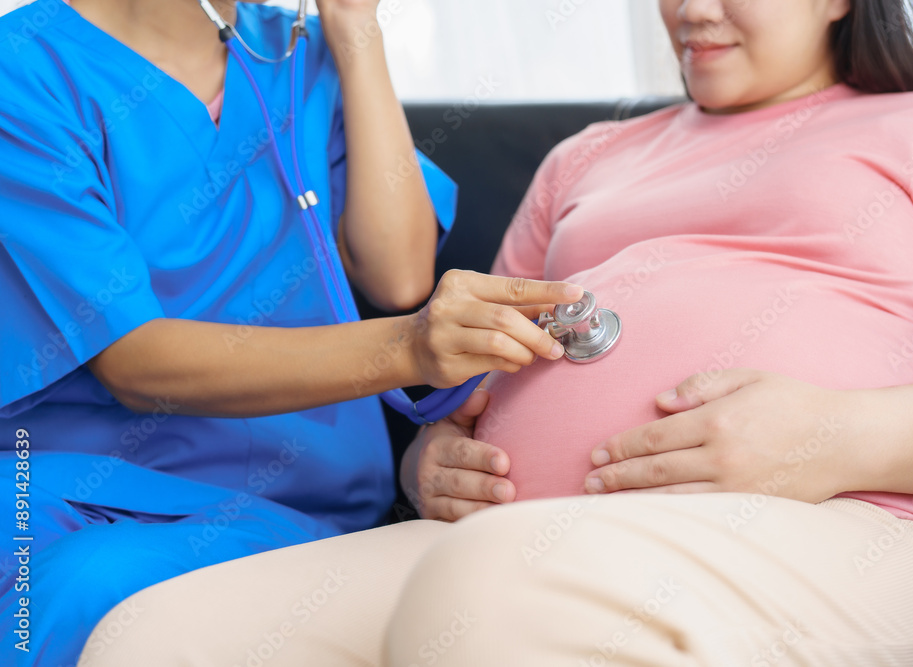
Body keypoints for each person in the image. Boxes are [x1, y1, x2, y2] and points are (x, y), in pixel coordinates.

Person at [80, 0, 913, 664]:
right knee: (155, 635)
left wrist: (828, 436)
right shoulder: (585, 158)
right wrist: (429, 462)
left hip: (838, 536)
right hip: (515, 543)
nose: (691, 11)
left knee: (500, 581)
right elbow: (473, 380)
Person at [0, 0, 583, 664]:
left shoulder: (300, 51)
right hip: (73, 476)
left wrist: (356, 31)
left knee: (84, 587)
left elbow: (398, 276)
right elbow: (135, 361)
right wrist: (408, 346)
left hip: (291, 492)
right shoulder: (23, 67)